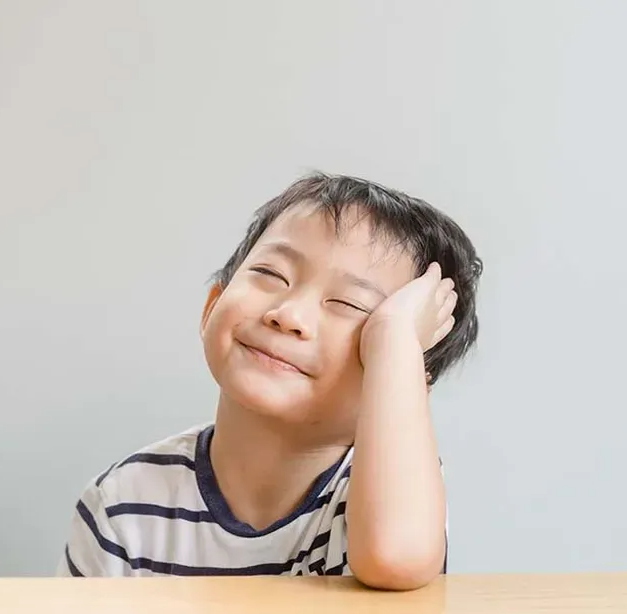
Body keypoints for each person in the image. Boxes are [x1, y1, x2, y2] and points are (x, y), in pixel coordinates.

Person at [56, 172, 482, 590]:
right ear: (212, 307)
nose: (288, 314)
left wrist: (394, 339)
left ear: (403, 383)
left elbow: (396, 559)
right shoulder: (123, 505)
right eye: (272, 275)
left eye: (350, 304)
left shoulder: (389, 490)